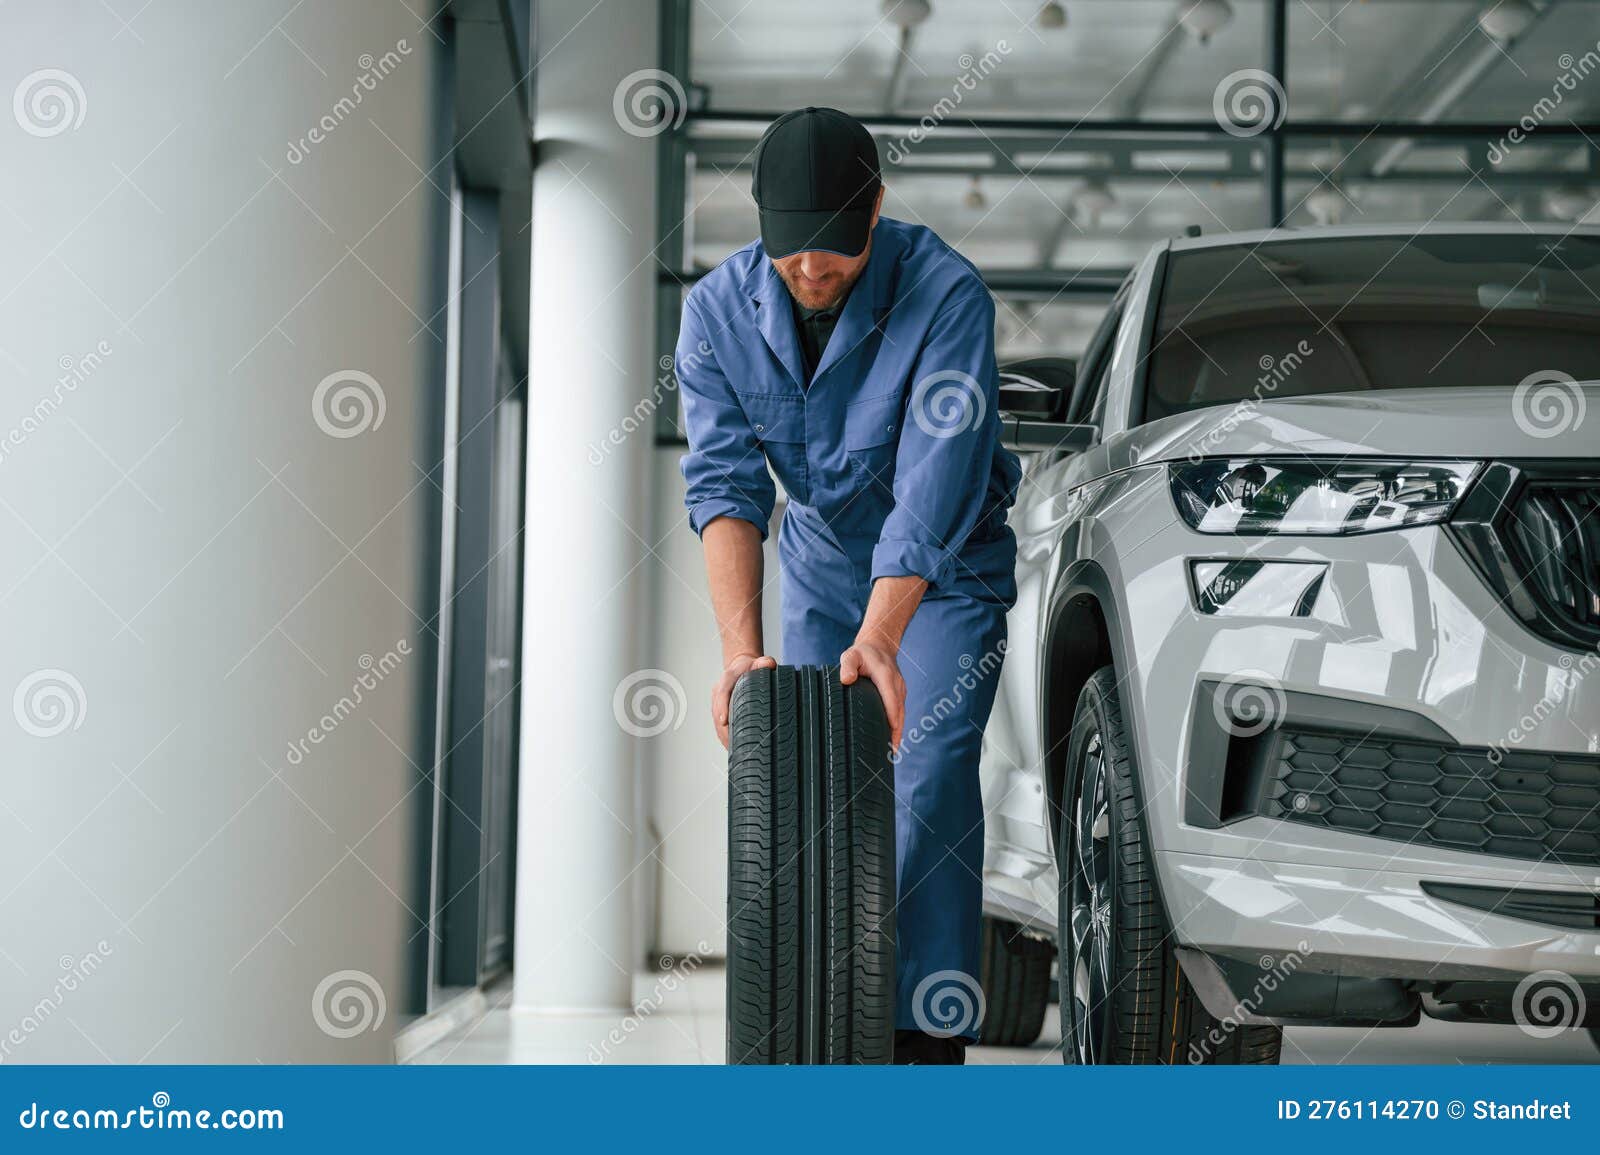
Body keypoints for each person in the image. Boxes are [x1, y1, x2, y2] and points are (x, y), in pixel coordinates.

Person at [676, 106, 1020, 1064]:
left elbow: (936, 477)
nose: (813, 273)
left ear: (876, 211)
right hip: (823, 560)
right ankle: (818, 1006)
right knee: (811, 781)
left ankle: (920, 1034)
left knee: (930, 769)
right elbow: (725, 486)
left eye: (833, 252)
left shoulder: (945, 292)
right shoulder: (714, 311)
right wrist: (741, 652)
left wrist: (881, 636)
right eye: (791, 255)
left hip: (945, 566)